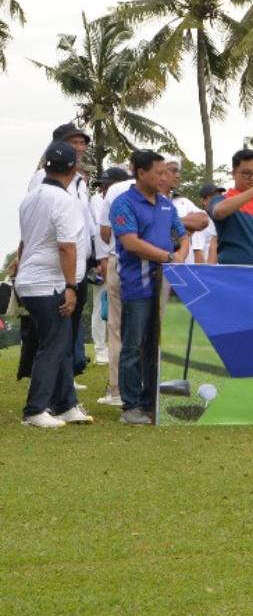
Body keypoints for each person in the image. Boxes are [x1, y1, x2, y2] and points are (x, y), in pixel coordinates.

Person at [110, 150, 189, 425]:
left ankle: (150, 401)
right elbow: (130, 243)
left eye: (165, 172)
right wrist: (168, 256)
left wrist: (180, 254)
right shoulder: (124, 203)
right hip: (137, 285)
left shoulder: (167, 205)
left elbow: (182, 235)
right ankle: (131, 406)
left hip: (165, 286)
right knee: (133, 345)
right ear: (140, 173)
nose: (163, 177)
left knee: (156, 345)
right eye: (158, 172)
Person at [15, 141, 89, 427]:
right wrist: (71, 287)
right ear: (73, 169)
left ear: (46, 165)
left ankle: (66, 404)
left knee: (56, 343)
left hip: (32, 280)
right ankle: (35, 410)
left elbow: (25, 243)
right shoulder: (64, 201)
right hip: (50, 283)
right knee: (54, 345)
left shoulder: (31, 198)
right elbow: (67, 247)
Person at [29, 124, 96, 386]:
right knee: (56, 331)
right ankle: (54, 385)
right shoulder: (42, 179)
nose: (79, 148)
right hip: (57, 265)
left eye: (82, 143)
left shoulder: (80, 181)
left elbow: (86, 220)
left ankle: (64, 380)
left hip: (80, 262)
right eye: (74, 143)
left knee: (72, 327)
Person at [90, 167, 130, 367]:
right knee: (101, 306)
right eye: (103, 185)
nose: (103, 189)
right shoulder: (98, 200)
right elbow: (99, 231)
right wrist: (100, 260)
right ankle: (100, 348)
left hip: (115, 258)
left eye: (107, 185)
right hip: (105, 258)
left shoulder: (125, 197)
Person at [192, 183, 224, 264]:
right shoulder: (201, 218)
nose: (217, 200)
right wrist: (204, 274)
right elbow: (197, 251)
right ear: (203, 201)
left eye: (219, 196)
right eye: (213, 197)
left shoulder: (218, 219)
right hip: (207, 272)